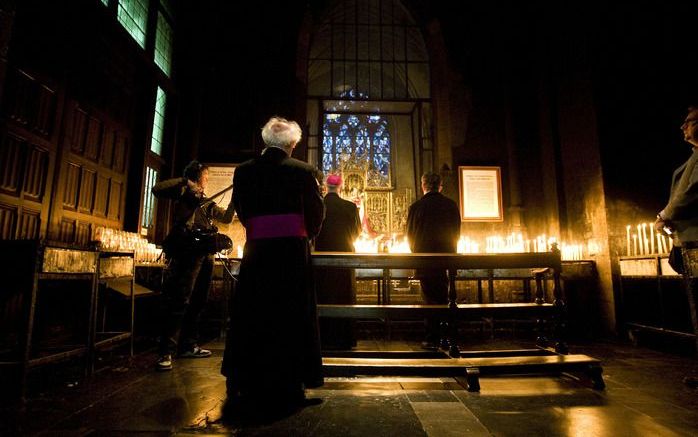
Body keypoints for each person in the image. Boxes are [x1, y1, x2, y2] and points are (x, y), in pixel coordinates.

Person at [222, 117, 325, 411]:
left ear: (266, 141)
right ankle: (291, 379)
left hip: (257, 252)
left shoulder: (243, 172)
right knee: (291, 313)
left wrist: (259, 230)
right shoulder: (304, 172)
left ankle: (245, 377)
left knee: (252, 311)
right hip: (292, 253)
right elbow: (316, 213)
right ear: (293, 144)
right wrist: (307, 235)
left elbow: (241, 209)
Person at [152, 160, 235, 371]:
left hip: (206, 254)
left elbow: (226, 218)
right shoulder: (183, 194)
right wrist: (184, 182)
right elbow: (157, 188)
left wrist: (236, 197)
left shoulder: (206, 202)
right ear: (194, 178)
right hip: (188, 254)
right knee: (180, 300)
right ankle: (165, 352)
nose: (205, 182)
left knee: (198, 301)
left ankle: (188, 345)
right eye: (204, 178)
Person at [655, 105, 698, 388]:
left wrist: (664, 215)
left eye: (689, 122)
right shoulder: (692, 159)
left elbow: (688, 193)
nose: (683, 127)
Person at [407, 172, 461, 349]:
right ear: (440, 186)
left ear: (423, 186)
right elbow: (456, 233)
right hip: (446, 260)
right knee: (446, 297)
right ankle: (448, 335)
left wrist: (416, 253)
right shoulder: (451, 205)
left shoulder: (416, 207)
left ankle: (432, 338)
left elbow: (410, 236)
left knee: (430, 299)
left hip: (425, 260)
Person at [314, 174, 362, 350]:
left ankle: (324, 338)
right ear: (341, 187)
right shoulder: (350, 207)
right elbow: (357, 232)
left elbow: (311, 231)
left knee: (324, 296)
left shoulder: (318, 206)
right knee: (344, 297)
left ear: (325, 187)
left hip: (321, 260)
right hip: (345, 258)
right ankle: (344, 339)